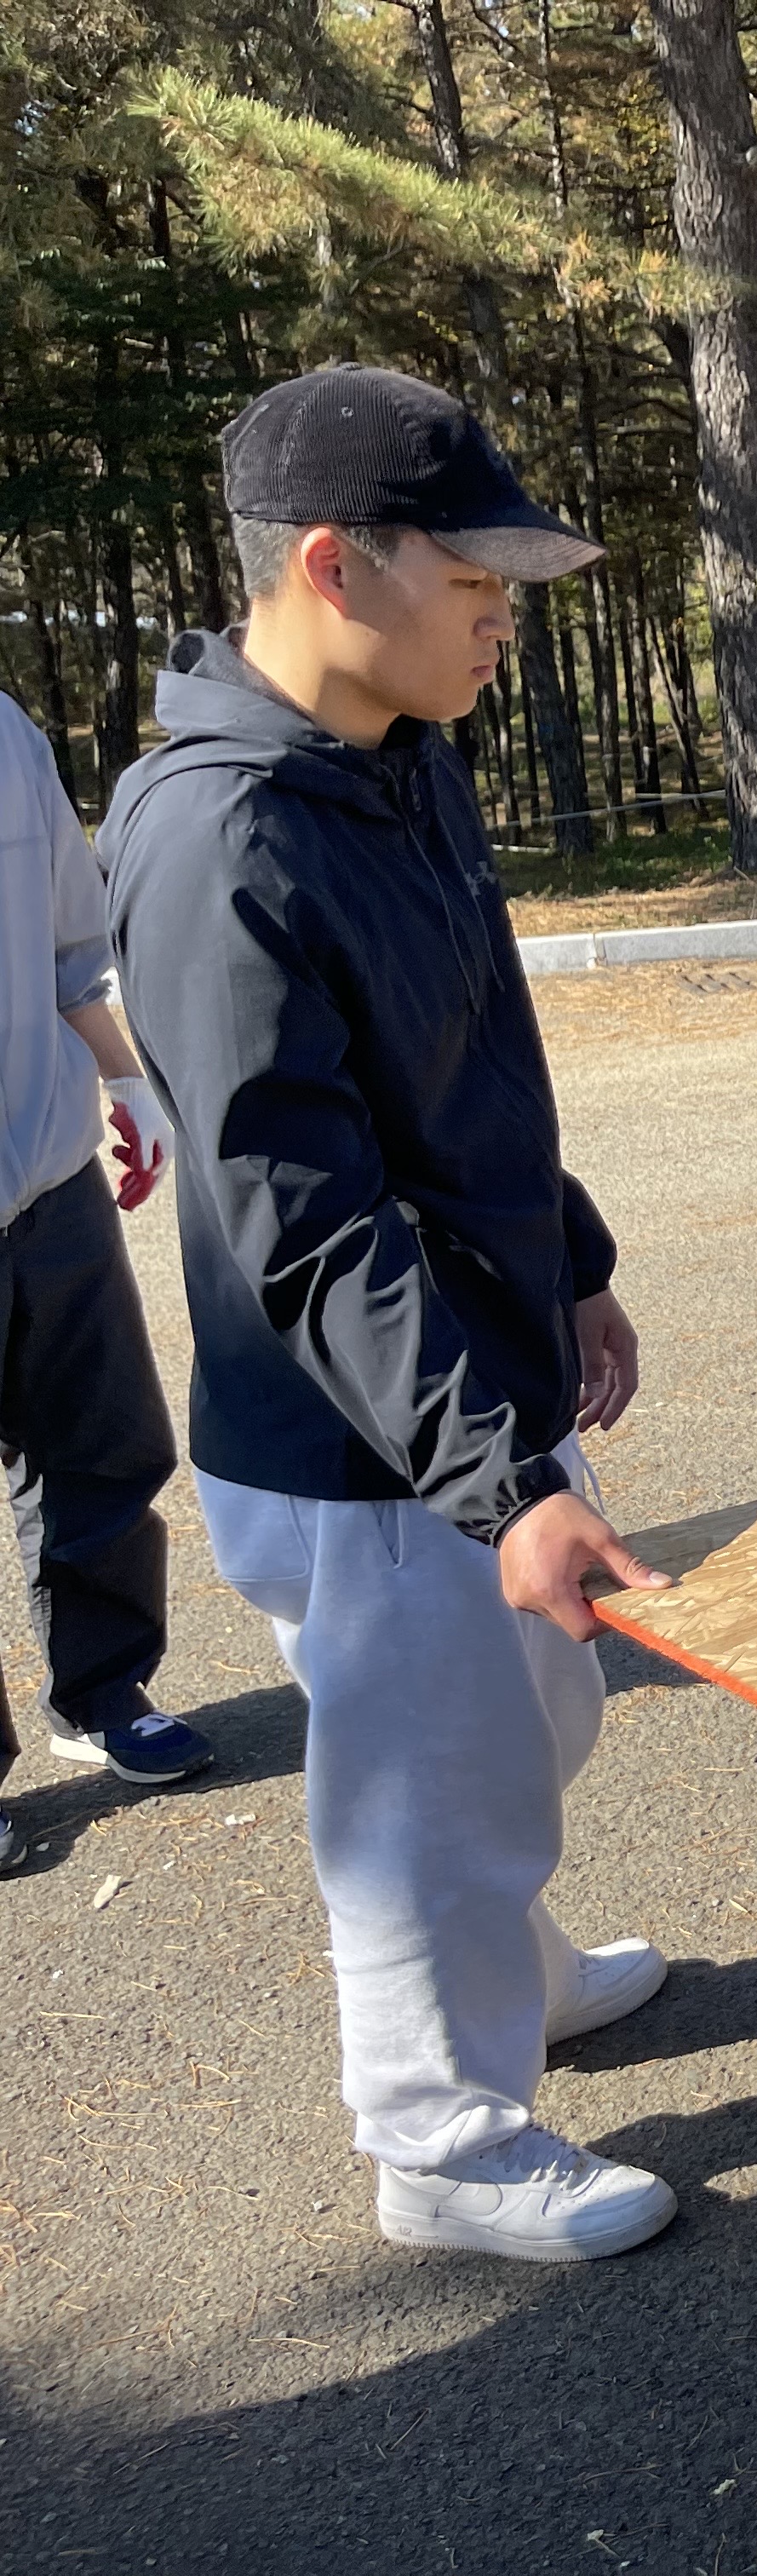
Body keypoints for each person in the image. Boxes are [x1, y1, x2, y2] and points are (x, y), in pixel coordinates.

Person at [103, 365, 680, 2263]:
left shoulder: (398, 758)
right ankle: (440, 2138)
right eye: (479, 580)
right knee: (423, 1783)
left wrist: (570, 1251)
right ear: (337, 567)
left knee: (524, 1717)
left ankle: (507, 1967)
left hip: (469, 1384)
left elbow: (473, 1054)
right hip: (365, 1441)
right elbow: (305, 1219)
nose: (507, 617)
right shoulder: (223, 837)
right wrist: (501, 1479)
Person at [0, 691, 211, 1878]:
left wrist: (124, 1081)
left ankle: (103, 1690)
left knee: (101, 1444)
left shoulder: (6, 734)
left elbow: (69, 942)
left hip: (47, 1169)